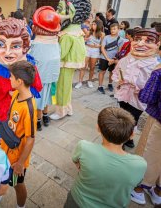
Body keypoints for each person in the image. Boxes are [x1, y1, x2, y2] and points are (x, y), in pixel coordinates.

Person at [64, 107, 147, 208]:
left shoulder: (84, 147)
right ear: (132, 135)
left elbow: (77, 163)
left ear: (98, 128)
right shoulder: (140, 164)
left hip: (77, 202)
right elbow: (136, 183)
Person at [0, 18, 42, 140]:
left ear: (24, 46)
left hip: (18, 111)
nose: (7, 52)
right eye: (1, 45)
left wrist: (20, 93)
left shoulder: (28, 66)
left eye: (16, 46)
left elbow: (36, 86)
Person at [112, 28, 160, 148]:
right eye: (137, 39)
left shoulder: (155, 66)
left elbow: (152, 88)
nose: (140, 44)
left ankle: (127, 138)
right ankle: (124, 139)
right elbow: (115, 73)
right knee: (123, 117)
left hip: (138, 100)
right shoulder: (124, 60)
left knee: (133, 119)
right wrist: (119, 81)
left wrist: (139, 89)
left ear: (157, 44)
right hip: (123, 95)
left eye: (148, 41)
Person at [0, 61, 37, 208]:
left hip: (17, 158)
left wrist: (20, 163)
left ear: (19, 81)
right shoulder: (16, 93)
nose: (9, 79)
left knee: (17, 185)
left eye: (11, 77)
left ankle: (20, 206)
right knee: (6, 179)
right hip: (6, 149)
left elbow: (30, 139)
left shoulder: (28, 108)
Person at [50, 0, 91, 120]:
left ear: (72, 12)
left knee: (62, 88)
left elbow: (60, 53)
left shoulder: (67, 34)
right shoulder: (76, 31)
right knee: (67, 87)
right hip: (69, 65)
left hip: (64, 65)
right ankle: (68, 108)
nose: (57, 12)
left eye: (60, 9)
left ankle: (61, 111)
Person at [131, 64, 161, 205]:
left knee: (148, 153)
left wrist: (140, 90)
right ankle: (157, 191)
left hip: (158, 121)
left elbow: (147, 97)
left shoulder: (158, 73)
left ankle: (138, 189)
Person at [29, 6, 61, 130]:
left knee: (43, 99)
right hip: (44, 78)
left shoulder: (39, 44)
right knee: (43, 99)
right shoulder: (51, 43)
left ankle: (41, 117)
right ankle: (41, 117)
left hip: (44, 79)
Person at [75, 19, 104, 89]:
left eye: (94, 24)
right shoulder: (88, 32)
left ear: (98, 26)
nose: (93, 25)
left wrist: (98, 46)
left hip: (95, 51)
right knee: (83, 66)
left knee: (92, 67)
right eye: (92, 24)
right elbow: (83, 40)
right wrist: (85, 39)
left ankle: (90, 81)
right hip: (87, 49)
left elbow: (102, 45)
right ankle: (80, 81)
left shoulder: (102, 34)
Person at [97, 23, 125, 95]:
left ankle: (110, 84)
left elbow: (119, 51)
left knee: (111, 72)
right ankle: (100, 86)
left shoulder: (121, 39)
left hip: (113, 59)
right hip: (104, 57)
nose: (112, 30)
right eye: (111, 29)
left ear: (118, 29)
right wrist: (107, 58)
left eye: (114, 29)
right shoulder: (106, 37)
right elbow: (102, 48)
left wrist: (113, 60)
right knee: (102, 71)